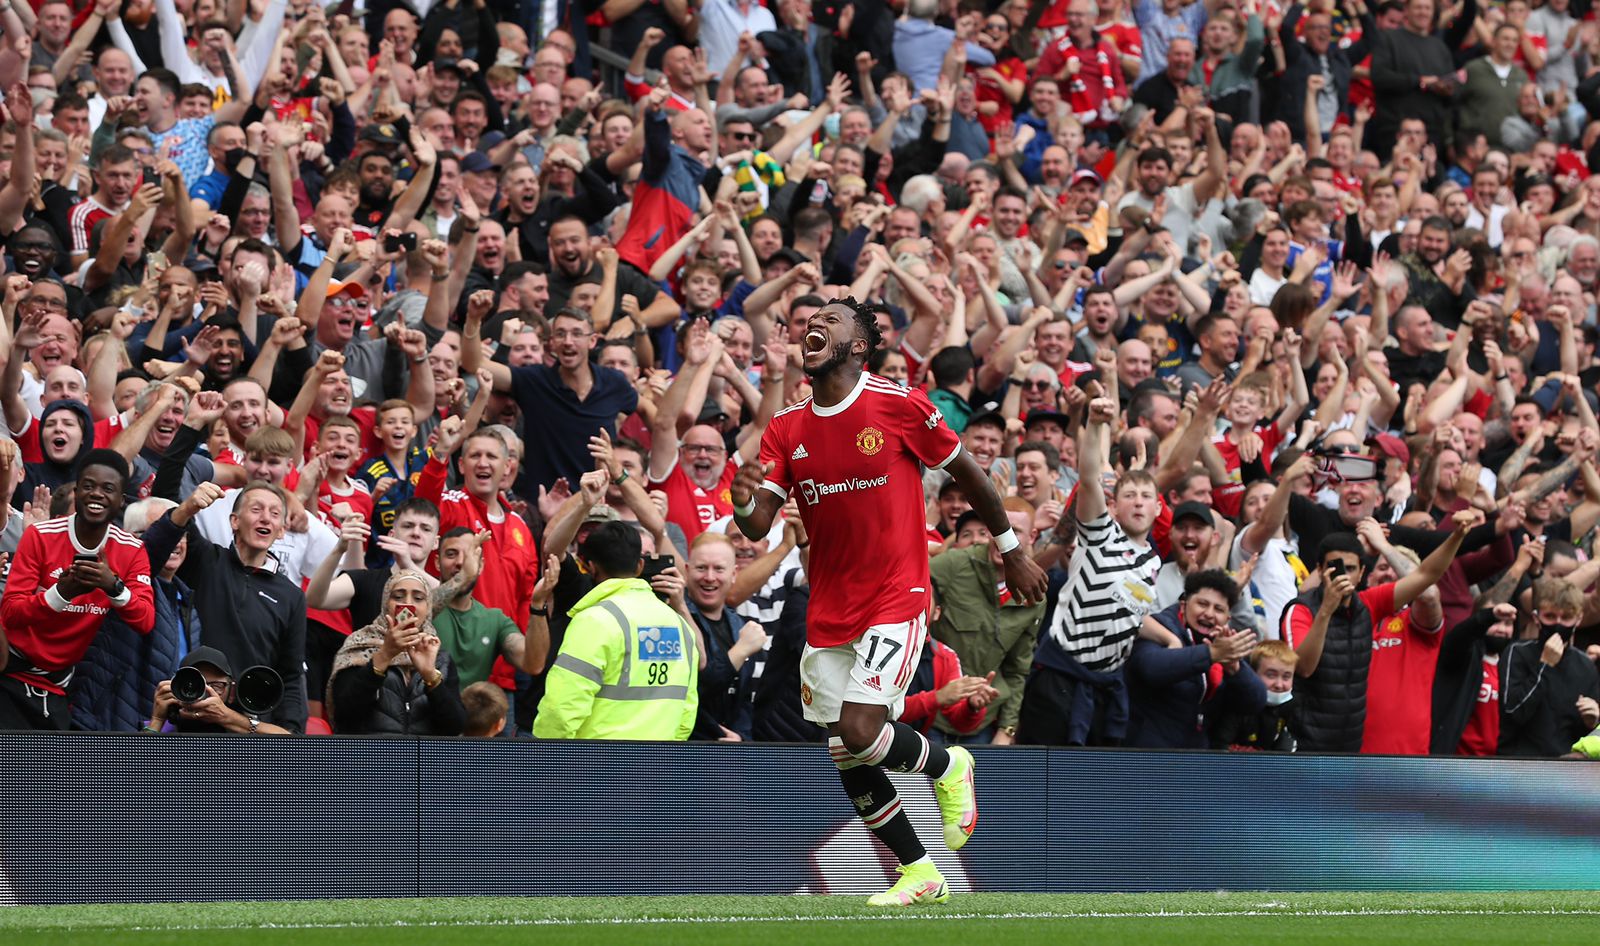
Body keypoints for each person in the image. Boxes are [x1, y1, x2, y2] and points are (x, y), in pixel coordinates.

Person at [730, 295, 1047, 907]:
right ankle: (918, 869)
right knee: (844, 748)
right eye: (808, 321)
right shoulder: (786, 426)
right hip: (828, 605)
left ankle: (948, 765)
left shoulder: (896, 404)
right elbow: (755, 522)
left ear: (857, 345)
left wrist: (1010, 549)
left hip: (894, 594)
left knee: (859, 726)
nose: (813, 326)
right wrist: (744, 499)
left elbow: (971, 476)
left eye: (829, 321)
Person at [0, 449, 155, 728]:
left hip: (60, 687)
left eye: (108, 488)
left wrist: (113, 585)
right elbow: (10, 612)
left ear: (121, 501)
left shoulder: (131, 550)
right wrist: (61, 594)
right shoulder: (41, 536)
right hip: (11, 675)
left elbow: (145, 620)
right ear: (77, 491)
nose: (97, 493)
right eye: (88, 486)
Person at [140, 481, 309, 733]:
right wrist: (189, 506)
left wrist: (292, 731)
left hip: (249, 728)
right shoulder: (205, 560)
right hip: (190, 717)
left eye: (275, 514)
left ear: (282, 530)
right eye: (256, 509)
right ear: (234, 521)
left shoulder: (292, 596)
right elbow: (168, 488)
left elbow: (291, 673)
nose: (265, 518)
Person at [533, 521, 701, 740]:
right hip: (659, 767)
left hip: (597, 767)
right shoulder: (679, 625)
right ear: (640, 566)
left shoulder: (595, 621)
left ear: (591, 567)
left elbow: (561, 709)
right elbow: (686, 712)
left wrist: (546, 759)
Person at [1128, 569, 1264, 749]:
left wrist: (1234, 667)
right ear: (1183, 606)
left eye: (1219, 609)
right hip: (1146, 751)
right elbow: (1150, 668)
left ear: (1227, 618)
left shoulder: (1224, 644)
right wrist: (1210, 654)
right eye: (1202, 604)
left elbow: (1255, 701)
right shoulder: (1160, 628)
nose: (1209, 614)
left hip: (1196, 755)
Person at [328, 569, 467, 735]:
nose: (408, 605)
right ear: (385, 603)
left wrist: (430, 675)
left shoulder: (438, 658)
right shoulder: (359, 647)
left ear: (428, 607)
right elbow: (345, 717)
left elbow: (455, 727)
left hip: (424, 759)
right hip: (371, 757)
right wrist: (384, 655)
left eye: (418, 598)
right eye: (398, 597)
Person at [1499, 578, 1600, 757]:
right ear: (1537, 618)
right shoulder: (1517, 652)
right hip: (1517, 765)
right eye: (1551, 616)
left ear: (1578, 619)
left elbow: (1583, 736)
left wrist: (1591, 721)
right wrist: (1545, 665)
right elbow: (1513, 713)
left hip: (1565, 768)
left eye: (1566, 617)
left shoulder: (1585, 666)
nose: (1558, 624)